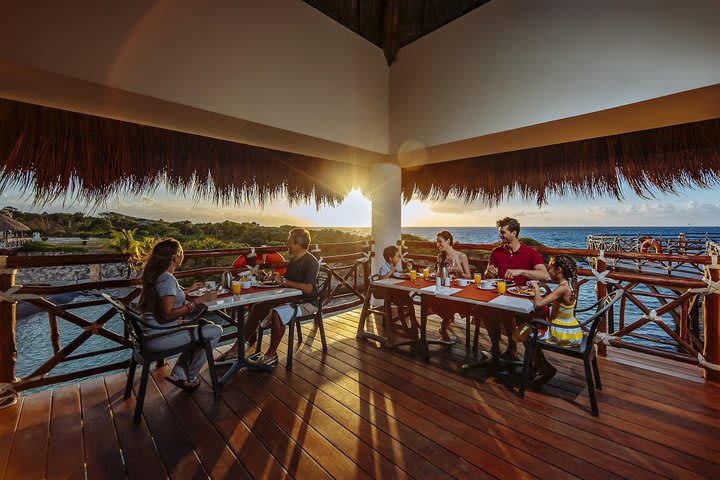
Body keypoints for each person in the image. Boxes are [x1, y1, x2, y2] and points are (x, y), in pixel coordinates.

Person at [219, 228, 319, 367]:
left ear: (299, 244)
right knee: (258, 307)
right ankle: (237, 348)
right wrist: (273, 279)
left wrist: (283, 281)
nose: (287, 244)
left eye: (289, 242)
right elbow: (289, 282)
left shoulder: (311, 261)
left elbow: (308, 288)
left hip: (307, 303)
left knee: (278, 314)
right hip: (290, 299)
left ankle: (272, 354)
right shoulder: (293, 261)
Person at [138, 239, 222, 391]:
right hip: (158, 337)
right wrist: (199, 301)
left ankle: (180, 374)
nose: (183, 255)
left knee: (204, 327)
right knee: (215, 331)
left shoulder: (157, 275)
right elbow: (168, 315)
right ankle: (189, 377)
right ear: (176, 257)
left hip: (149, 334)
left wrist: (187, 291)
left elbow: (166, 299)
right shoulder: (167, 279)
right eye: (182, 252)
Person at [483, 217, 548, 361]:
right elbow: (487, 275)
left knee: (507, 313)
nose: (500, 235)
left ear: (514, 233)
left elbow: (544, 274)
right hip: (501, 297)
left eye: (503, 232)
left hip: (524, 300)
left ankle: (512, 349)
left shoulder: (530, 253)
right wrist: (489, 272)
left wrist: (521, 271)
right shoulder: (496, 252)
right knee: (484, 309)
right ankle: (496, 347)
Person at [527, 255, 582, 388]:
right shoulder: (568, 283)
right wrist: (545, 287)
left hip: (561, 331)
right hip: (572, 327)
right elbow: (558, 299)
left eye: (550, 269)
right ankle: (538, 365)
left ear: (558, 270)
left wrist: (535, 287)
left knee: (527, 333)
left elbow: (538, 304)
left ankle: (543, 368)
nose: (548, 272)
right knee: (530, 326)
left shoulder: (562, 288)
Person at [432, 231, 472, 342]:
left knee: (453, 303)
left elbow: (469, 276)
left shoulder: (461, 256)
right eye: (437, 242)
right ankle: (447, 319)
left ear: (448, 241)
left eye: (440, 242)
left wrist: (460, 274)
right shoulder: (440, 257)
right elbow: (438, 274)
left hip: (458, 290)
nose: (437, 244)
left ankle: (444, 325)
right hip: (443, 289)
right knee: (431, 299)